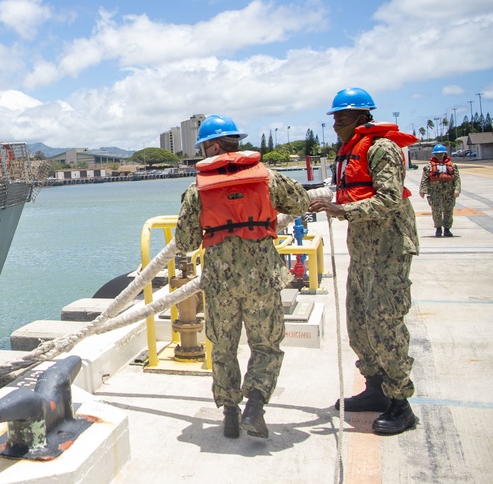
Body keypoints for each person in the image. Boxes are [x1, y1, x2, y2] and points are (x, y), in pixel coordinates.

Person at [175, 115, 309, 440]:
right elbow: (301, 202)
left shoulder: (197, 190)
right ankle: (256, 406)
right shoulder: (267, 177)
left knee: (223, 346)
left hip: (221, 280)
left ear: (214, 145)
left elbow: (186, 242)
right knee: (266, 345)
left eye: (204, 147)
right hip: (262, 275)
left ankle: (231, 413)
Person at [309, 87, 419, 435]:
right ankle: (375, 389)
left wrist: (343, 209)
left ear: (361, 116)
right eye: (335, 116)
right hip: (364, 251)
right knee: (358, 321)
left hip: (389, 251)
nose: (336, 122)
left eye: (342, 116)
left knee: (386, 324)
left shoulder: (381, 149)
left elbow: (389, 199)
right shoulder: (346, 151)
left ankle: (401, 404)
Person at [419, 143, 461, 237]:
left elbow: (457, 179)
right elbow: (424, 179)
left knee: (448, 211)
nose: (439, 155)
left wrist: (457, 189)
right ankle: (438, 229)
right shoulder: (429, 167)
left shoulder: (452, 166)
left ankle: (447, 229)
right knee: (436, 211)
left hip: (449, 193)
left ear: (444, 153)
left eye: (441, 153)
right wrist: (422, 190)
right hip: (435, 193)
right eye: (437, 154)